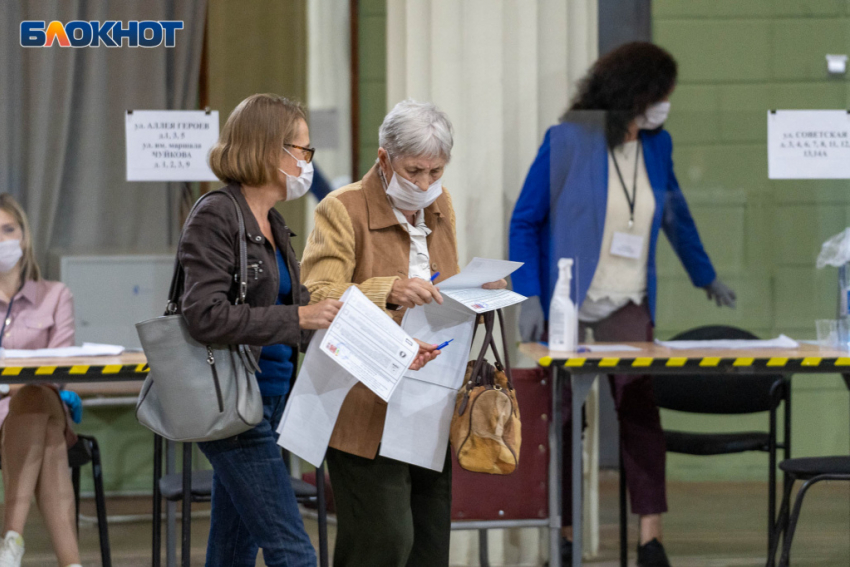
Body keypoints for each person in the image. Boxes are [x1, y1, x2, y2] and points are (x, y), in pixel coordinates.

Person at [509, 42, 735, 567]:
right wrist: (531, 298)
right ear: (637, 91)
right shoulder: (569, 139)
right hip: (569, 298)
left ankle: (650, 537)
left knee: (638, 409)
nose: (665, 106)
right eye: (661, 95)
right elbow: (526, 219)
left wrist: (706, 276)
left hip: (627, 298)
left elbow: (676, 216)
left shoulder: (658, 146)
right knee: (562, 418)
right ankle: (563, 534)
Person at [301, 99, 506, 567]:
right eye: (414, 171)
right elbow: (316, 296)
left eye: (436, 171)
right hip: (362, 402)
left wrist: (479, 290)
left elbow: (442, 286)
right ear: (383, 158)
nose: (425, 184)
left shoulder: (440, 205)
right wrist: (387, 290)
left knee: (430, 544)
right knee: (383, 542)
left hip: (429, 396)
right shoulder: (342, 208)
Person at [178, 93, 348, 567]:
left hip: (270, 397)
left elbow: (297, 307)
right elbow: (204, 315)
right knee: (293, 551)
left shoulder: (273, 222)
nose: (307, 162)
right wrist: (298, 318)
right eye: (303, 149)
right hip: (232, 401)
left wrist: (387, 342)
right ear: (272, 150)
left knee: (231, 552)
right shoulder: (217, 215)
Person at [0, 194, 81, 567]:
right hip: (31, 419)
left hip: (47, 402)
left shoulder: (55, 295)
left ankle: (10, 544)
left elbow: (58, 369)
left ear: (24, 237)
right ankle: (72, 563)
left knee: (35, 394)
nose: (2, 240)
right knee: (46, 438)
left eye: (8, 230)